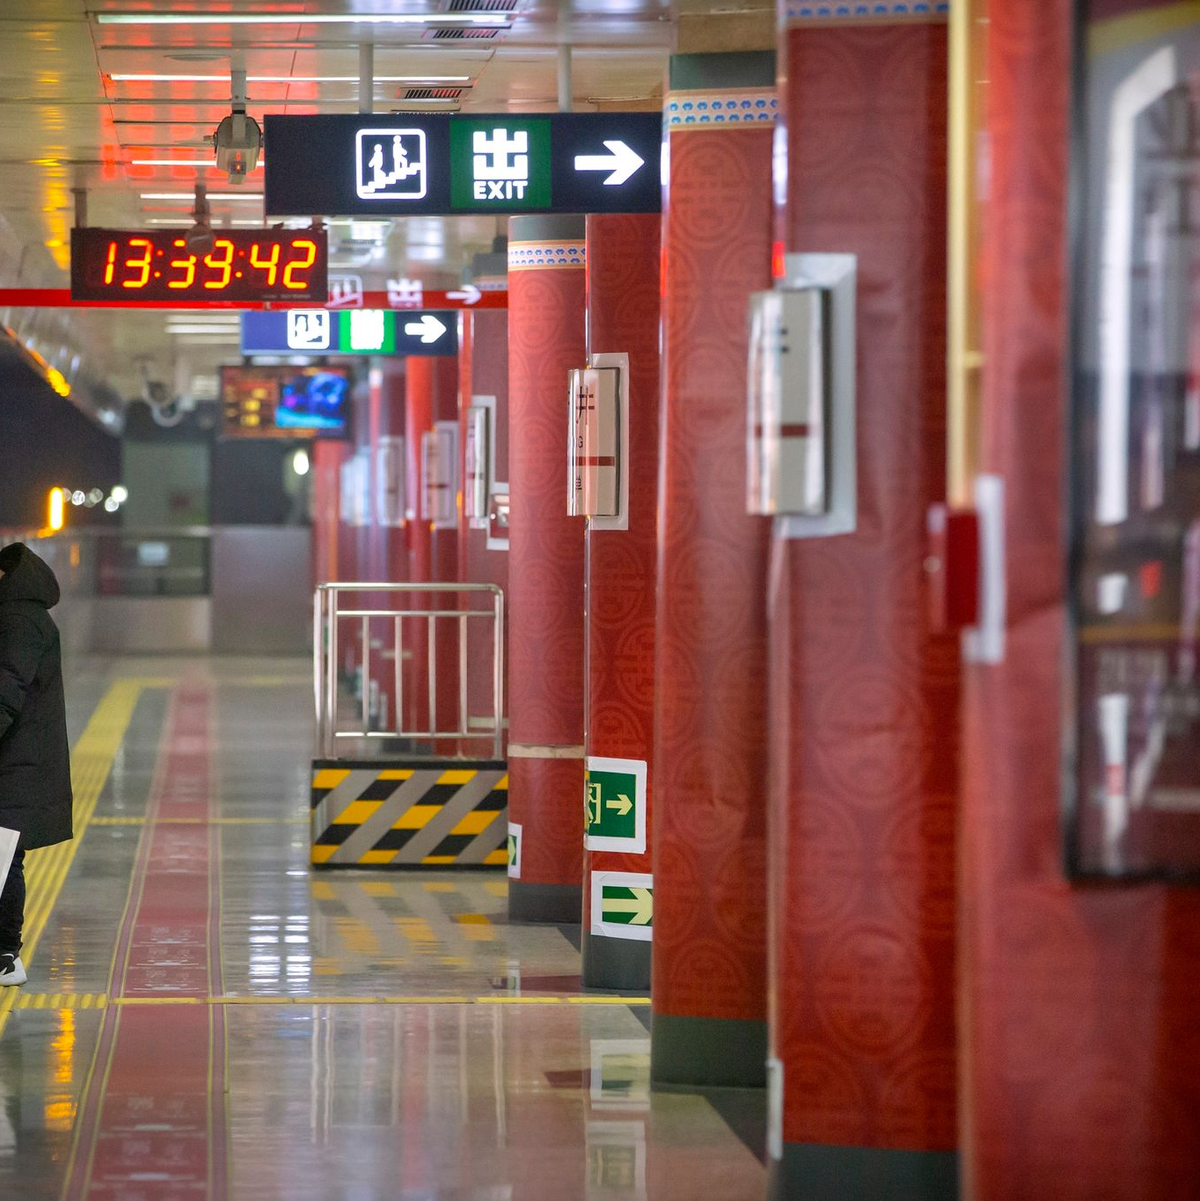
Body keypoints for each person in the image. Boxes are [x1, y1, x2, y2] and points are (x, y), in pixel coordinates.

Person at [0, 543, 73, 986]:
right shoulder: (22, 615)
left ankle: (6, 955)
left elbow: (7, 688)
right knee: (6, 854)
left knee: (6, 855)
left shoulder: (18, 620)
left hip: (17, 762)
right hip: (21, 758)